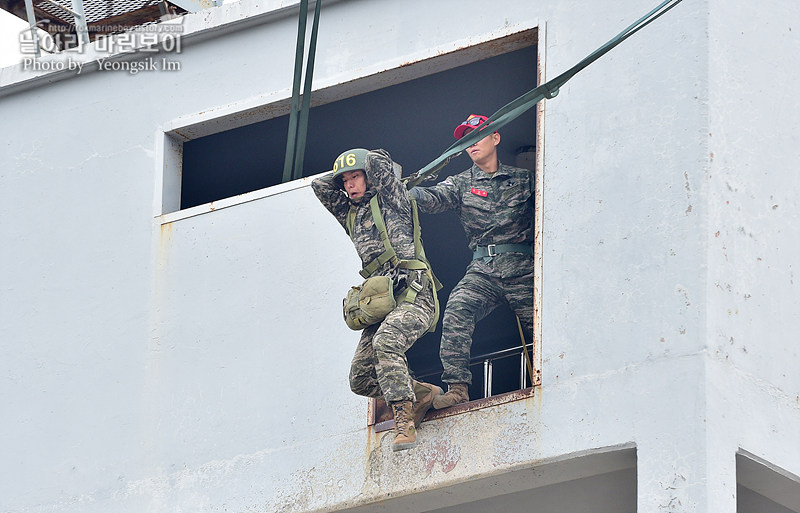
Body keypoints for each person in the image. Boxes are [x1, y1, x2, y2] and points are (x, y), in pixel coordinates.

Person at [312, 148, 442, 452]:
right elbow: (320, 187)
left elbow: (380, 164)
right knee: (360, 378)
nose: (349, 185)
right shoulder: (350, 215)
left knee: (386, 342)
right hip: (383, 302)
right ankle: (421, 393)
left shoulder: (393, 200)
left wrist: (366, 161)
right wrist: (343, 171)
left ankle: (404, 420)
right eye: (344, 181)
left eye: (355, 177)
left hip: (415, 294)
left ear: (369, 178)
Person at [410, 114, 535, 409]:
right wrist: (401, 188)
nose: (472, 143)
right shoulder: (460, 183)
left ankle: (559, 375)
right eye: (466, 139)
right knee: (457, 309)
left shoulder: (525, 179)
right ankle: (457, 388)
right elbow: (430, 198)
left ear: (496, 138)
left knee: (543, 322)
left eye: (478, 134)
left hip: (524, 268)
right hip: (484, 270)